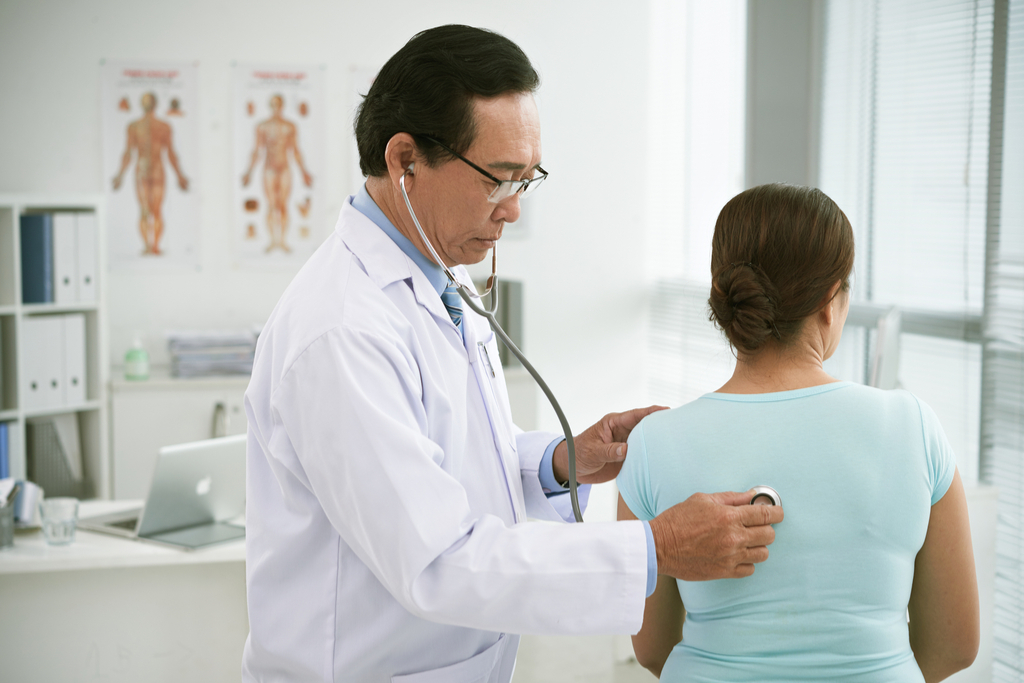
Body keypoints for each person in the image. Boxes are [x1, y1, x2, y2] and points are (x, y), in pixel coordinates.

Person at [242, 25, 783, 683]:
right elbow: (439, 561)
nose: (514, 212)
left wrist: (559, 462)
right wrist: (655, 546)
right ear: (405, 161)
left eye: (528, 181)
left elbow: (444, 454)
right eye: (499, 181)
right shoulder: (340, 330)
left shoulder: (441, 269)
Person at [617, 183, 979, 682]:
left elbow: (653, 649)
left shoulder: (653, 442)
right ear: (831, 301)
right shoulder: (913, 427)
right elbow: (955, 646)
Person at [112, 91, 189, 255]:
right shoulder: (135, 126)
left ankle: (154, 246)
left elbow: (170, 153)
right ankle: (149, 246)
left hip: (154, 170)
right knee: (146, 210)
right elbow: (128, 153)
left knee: (155, 210)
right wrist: (120, 175)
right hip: (145, 170)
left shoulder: (162, 126)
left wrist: (180, 175)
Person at [241, 93, 313, 254]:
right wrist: (249, 172)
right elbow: (257, 151)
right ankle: (273, 241)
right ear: (270, 105)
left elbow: (295, 151)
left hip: (285, 168)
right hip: (269, 169)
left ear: (282, 106)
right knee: (272, 205)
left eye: (278, 104)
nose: (276, 108)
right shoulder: (262, 126)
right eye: (273, 104)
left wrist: (304, 172)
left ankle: (282, 241)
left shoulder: (290, 126)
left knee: (283, 205)